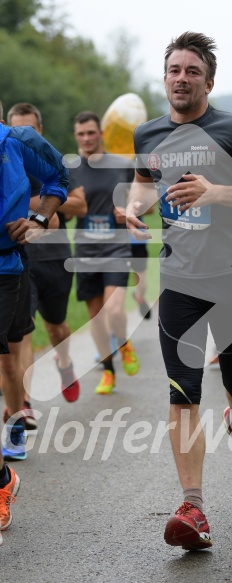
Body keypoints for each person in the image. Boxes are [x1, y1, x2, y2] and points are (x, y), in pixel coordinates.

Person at [126, 32, 232, 551]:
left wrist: (216, 191)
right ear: (165, 77)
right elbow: (145, 180)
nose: (181, 77)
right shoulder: (147, 134)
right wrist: (136, 206)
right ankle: (193, 506)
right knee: (181, 391)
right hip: (178, 278)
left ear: (208, 81)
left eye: (192, 71)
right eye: (174, 69)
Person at [5, 103, 87, 415]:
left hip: (54, 255)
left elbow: (78, 206)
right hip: (19, 259)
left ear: (39, 131)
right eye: (16, 129)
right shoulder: (6, 164)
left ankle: (64, 361)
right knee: (23, 331)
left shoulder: (53, 163)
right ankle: (22, 404)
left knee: (56, 328)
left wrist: (36, 203)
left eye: (28, 129)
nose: (22, 135)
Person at [0, 99, 68, 462]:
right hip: (20, 264)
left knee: (20, 348)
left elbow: (61, 183)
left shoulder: (17, 146)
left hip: (16, 264)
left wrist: (37, 219)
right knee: (13, 353)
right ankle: (17, 415)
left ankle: (12, 427)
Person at [70, 111, 140, 395]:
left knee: (113, 310)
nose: (87, 138)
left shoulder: (121, 166)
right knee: (96, 318)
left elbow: (141, 201)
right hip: (85, 248)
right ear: (76, 137)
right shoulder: (71, 170)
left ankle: (124, 342)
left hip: (116, 246)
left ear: (101, 134)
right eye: (81, 134)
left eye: (91, 133)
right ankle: (109, 371)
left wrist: (129, 211)